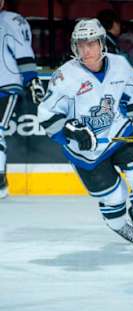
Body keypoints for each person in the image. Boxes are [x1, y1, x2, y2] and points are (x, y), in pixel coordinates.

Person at [38, 19, 133, 244]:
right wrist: (71, 131)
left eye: (91, 43)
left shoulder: (120, 65)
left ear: (102, 43)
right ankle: (120, 225)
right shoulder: (65, 76)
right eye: (81, 44)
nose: (86, 49)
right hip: (87, 149)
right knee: (115, 196)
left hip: (119, 132)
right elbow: (46, 115)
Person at [0, 0, 45, 198]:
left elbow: (23, 52)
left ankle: (0, 183)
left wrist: (32, 80)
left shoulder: (10, 20)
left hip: (5, 84)